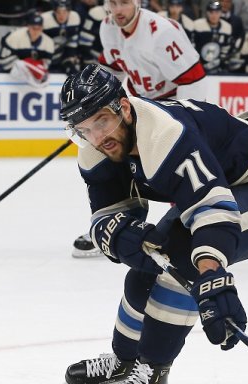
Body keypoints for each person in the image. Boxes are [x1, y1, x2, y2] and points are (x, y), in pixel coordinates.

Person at [59, 64, 248, 384]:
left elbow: (212, 209)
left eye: (102, 121)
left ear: (124, 108)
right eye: (84, 129)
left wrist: (212, 275)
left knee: (186, 256)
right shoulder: (95, 148)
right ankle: (125, 360)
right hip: (221, 180)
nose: (97, 137)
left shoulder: (165, 136)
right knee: (148, 262)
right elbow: (108, 212)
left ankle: (153, 376)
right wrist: (119, 236)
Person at [71, 0, 207, 259]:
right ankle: (116, 227)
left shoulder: (161, 32)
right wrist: (91, 116)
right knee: (110, 159)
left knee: (175, 171)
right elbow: (110, 73)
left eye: (124, 2)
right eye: (112, 2)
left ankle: (198, 228)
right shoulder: (107, 27)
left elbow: (194, 80)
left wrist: (184, 125)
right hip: (139, 106)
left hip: (173, 107)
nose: (118, 9)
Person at [0, 12, 54, 88]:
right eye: (33, 28)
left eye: (38, 28)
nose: (36, 31)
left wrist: (30, 67)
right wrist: (26, 64)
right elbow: (2, 62)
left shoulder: (49, 42)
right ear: (28, 27)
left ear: (42, 28)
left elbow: (45, 66)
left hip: (24, 65)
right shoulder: (15, 36)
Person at [191, 1, 235, 74]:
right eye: (211, 12)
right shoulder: (197, 25)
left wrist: (220, 62)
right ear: (207, 13)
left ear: (221, 13)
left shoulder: (227, 27)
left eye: (217, 12)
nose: (214, 15)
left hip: (218, 66)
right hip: (198, 65)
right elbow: (192, 46)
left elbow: (226, 49)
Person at [42, 0, 82, 73]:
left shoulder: (75, 17)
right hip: (46, 54)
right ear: (54, 11)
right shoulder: (45, 19)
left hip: (63, 52)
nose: (61, 15)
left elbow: (73, 40)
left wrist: (71, 57)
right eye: (58, 12)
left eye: (65, 12)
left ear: (69, 12)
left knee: (74, 68)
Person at [78, 0, 108, 65]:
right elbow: (85, 40)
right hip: (97, 58)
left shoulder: (129, 14)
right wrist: (88, 59)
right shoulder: (96, 13)